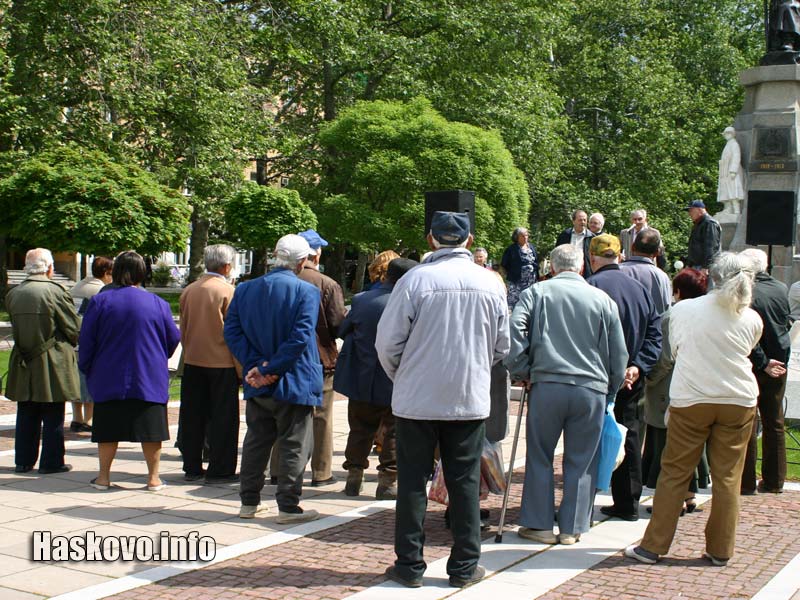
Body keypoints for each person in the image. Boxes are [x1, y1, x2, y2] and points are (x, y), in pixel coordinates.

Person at [375, 211, 509, 589]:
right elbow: (502, 346)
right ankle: (464, 566)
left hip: (417, 399)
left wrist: (403, 376)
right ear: (468, 241)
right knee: (465, 483)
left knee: (413, 483)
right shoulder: (491, 283)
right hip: (467, 398)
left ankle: (409, 564)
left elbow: (387, 343)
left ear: (432, 239)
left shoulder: (415, 280)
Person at [626, 252, 763, 567]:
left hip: (692, 397)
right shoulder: (751, 317)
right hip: (738, 399)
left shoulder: (684, 310)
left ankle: (653, 546)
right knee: (727, 478)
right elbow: (749, 348)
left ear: (713, 276)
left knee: (674, 473)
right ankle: (720, 549)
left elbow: (673, 351)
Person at [506, 244, 628, 545]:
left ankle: (539, 524)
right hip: (590, 387)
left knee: (540, 455)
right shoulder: (603, 300)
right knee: (582, 459)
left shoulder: (536, 292)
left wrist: (522, 370)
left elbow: (514, 329)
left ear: (552, 266)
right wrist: (611, 388)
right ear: (583, 267)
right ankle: (572, 528)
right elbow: (618, 352)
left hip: (547, 383)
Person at [224, 234, 322, 523]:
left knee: (256, 440)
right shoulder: (305, 291)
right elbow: (300, 338)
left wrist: (256, 367)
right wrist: (269, 369)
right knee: (294, 442)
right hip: (293, 377)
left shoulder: (245, 289)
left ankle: (249, 502)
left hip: (259, 379)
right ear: (303, 261)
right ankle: (288, 506)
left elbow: (232, 332)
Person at [78, 251, 180, 491]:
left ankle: (103, 477)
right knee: (151, 430)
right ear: (142, 273)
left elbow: (87, 340)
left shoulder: (100, 302)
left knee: (107, 429)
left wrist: (86, 367)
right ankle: (153, 478)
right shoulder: (158, 303)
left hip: (108, 374)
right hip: (147, 375)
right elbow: (173, 338)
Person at [587, 234, 662, 521]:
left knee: (588, 439)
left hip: (598, 376)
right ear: (619, 256)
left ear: (593, 258)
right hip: (631, 376)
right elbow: (655, 334)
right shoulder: (640, 289)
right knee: (629, 435)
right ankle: (628, 503)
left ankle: (583, 503)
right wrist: (638, 366)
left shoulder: (591, 286)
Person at [334, 258, 418, 499]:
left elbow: (342, 330)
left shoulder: (361, 300)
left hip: (362, 375)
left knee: (359, 428)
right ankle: (387, 481)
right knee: (393, 430)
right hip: (397, 377)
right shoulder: (410, 303)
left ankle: (354, 477)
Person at [6, 248, 81, 474]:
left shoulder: (14, 293)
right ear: (49, 267)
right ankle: (51, 461)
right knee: (52, 412)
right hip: (52, 358)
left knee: (26, 410)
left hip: (23, 359)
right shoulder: (55, 291)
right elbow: (73, 328)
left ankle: (23, 460)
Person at [641, 268, 710, 511]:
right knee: (691, 443)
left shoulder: (673, 316)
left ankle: (671, 500)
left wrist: (649, 379)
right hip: (699, 387)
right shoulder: (710, 315)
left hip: (670, 388)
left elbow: (666, 357)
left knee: (666, 447)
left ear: (678, 291)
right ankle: (689, 495)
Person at [178, 244, 240, 484]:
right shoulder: (227, 292)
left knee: (193, 416)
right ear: (226, 266)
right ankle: (220, 467)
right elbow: (233, 333)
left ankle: (191, 465)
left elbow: (184, 328)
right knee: (223, 419)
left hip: (193, 360)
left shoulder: (189, 290)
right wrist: (240, 368)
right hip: (221, 363)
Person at [296, 228, 346, 487]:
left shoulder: (275, 280)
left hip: (284, 359)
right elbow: (338, 324)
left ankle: (279, 469)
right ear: (315, 254)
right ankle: (321, 471)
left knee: (285, 414)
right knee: (322, 416)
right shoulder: (327, 284)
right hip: (319, 357)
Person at [739, 248, 790, 495]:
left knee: (748, 421)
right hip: (779, 361)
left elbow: (749, 334)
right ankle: (774, 480)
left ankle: (746, 481)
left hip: (754, 363)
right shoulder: (781, 288)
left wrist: (762, 362)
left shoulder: (748, 292)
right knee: (774, 422)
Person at [69, 256, 114, 433]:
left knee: (76, 380)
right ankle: (89, 418)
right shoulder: (101, 290)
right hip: (90, 340)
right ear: (105, 273)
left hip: (73, 339)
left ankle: (76, 417)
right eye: (111, 273)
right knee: (90, 379)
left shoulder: (77, 286)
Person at [619, 229, 673, 315]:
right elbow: (666, 312)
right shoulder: (662, 277)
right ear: (656, 253)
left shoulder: (617, 271)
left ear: (632, 247)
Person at [501, 227, 539, 310]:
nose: (525, 237)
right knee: (516, 303)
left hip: (531, 281)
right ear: (516, 237)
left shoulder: (531, 247)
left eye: (526, 235)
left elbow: (536, 261)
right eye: (522, 236)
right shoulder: (511, 249)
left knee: (529, 301)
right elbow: (504, 264)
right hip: (516, 281)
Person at [556, 210, 595, 276]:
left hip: (585, 274)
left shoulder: (592, 238)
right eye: (580, 220)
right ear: (573, 221)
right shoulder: (564, 235)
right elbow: (557, 253)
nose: (583, 222)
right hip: (566, 271)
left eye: (584, 220)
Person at [686, 200, 721, 272]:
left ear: (699, 210)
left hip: (705, 267)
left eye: (691, 210)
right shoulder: (699, 224)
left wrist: (706, 267)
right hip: (697, 266)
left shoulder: (709, 223)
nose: (689, 213)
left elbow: (711, 247)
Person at [718, 127, 744, 215]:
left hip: (731, 171)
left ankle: (736, 210)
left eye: (727, 134)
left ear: (731, 134)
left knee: (733, 191)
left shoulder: (734, 144)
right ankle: (728, 209)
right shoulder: (728, 144)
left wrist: (733, 171)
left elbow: (736, 157)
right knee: (726, 191)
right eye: (725, 134)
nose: (725, 136)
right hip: (725, 171)